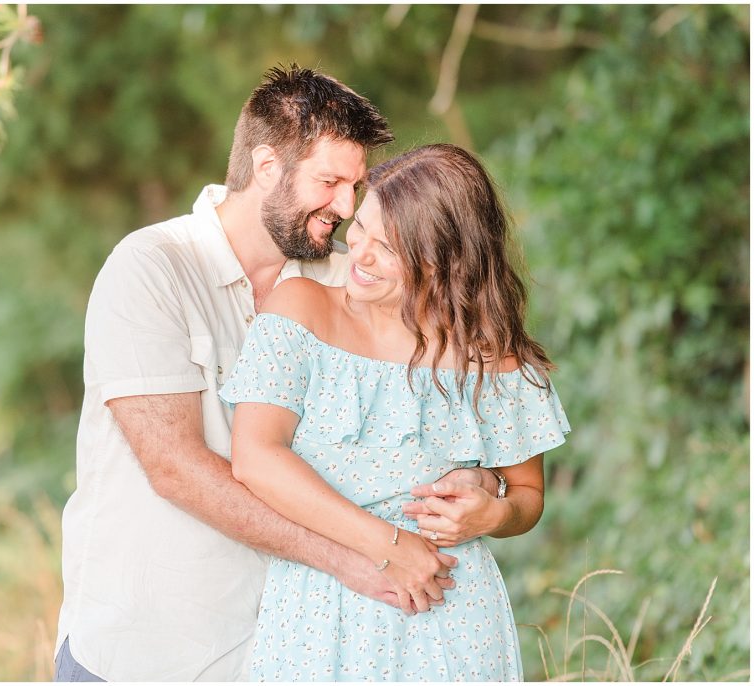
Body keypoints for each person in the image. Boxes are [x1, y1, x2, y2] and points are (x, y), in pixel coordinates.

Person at [54, 66, 503, 682]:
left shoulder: (354, 281)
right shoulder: (153, 268)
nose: (346, 208)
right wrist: (355, 555)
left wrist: (477, 481)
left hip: (298, 650)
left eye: (356, 186)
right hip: (146, 649)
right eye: (330, 181)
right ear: (267, 167)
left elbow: (445, 401)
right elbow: (175, 468)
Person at [221, 143, 571, 681]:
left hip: (450, 613)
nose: (356, 254)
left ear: (445, 261)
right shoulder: (301, 310)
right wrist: (388, 548)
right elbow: (254, 458)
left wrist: (493, 512)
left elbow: (528, 495)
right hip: (318, 616)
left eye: (387, 248)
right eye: (360, 227)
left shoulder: (495, 360)